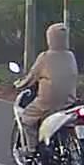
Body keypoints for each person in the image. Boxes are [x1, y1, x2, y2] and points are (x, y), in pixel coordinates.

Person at [14, 23, 78, 156]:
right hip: (69, 101)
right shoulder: (70, 56)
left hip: (48, 102)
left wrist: (19, 84)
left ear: (50, 38)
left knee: (26, 117)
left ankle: (31, 149)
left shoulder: (45, 57)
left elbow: (32, 77)